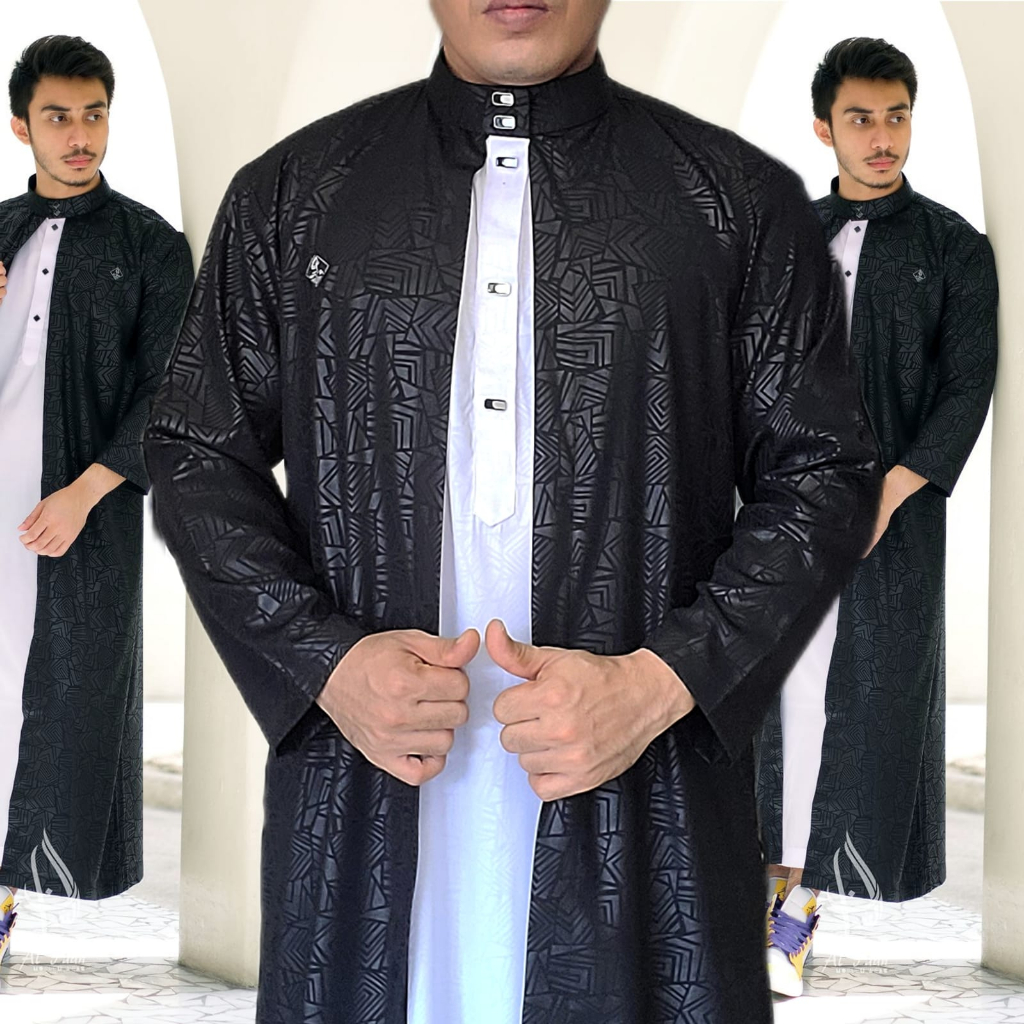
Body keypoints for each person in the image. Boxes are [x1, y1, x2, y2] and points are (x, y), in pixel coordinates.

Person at [144, 2, 880, 1020]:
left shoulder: (730, 199)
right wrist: (328, 663)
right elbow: (194, 451)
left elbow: (824, 471)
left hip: (644, 803)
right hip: (366, 795)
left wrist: (661, 683)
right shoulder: (297, 193)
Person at [757, 37, 998, 998]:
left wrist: (888, 495)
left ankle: (792, 924)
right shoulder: (789, 241)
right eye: (861, 117)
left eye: (897, 115)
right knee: (772, 709)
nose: (883, 135)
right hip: (782, 518)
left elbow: (965, 388)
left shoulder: (952, 249)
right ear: (825, 128)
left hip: (891, 530)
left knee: (852, 716)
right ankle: (759, 913)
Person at [0, 34, 193, 954]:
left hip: (78, 518)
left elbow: (173, 388)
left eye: (94, 114)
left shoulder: (151, 246)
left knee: (54, 704)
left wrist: (86, 493)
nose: (79, 136)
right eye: (58, 117)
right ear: (21, 127)